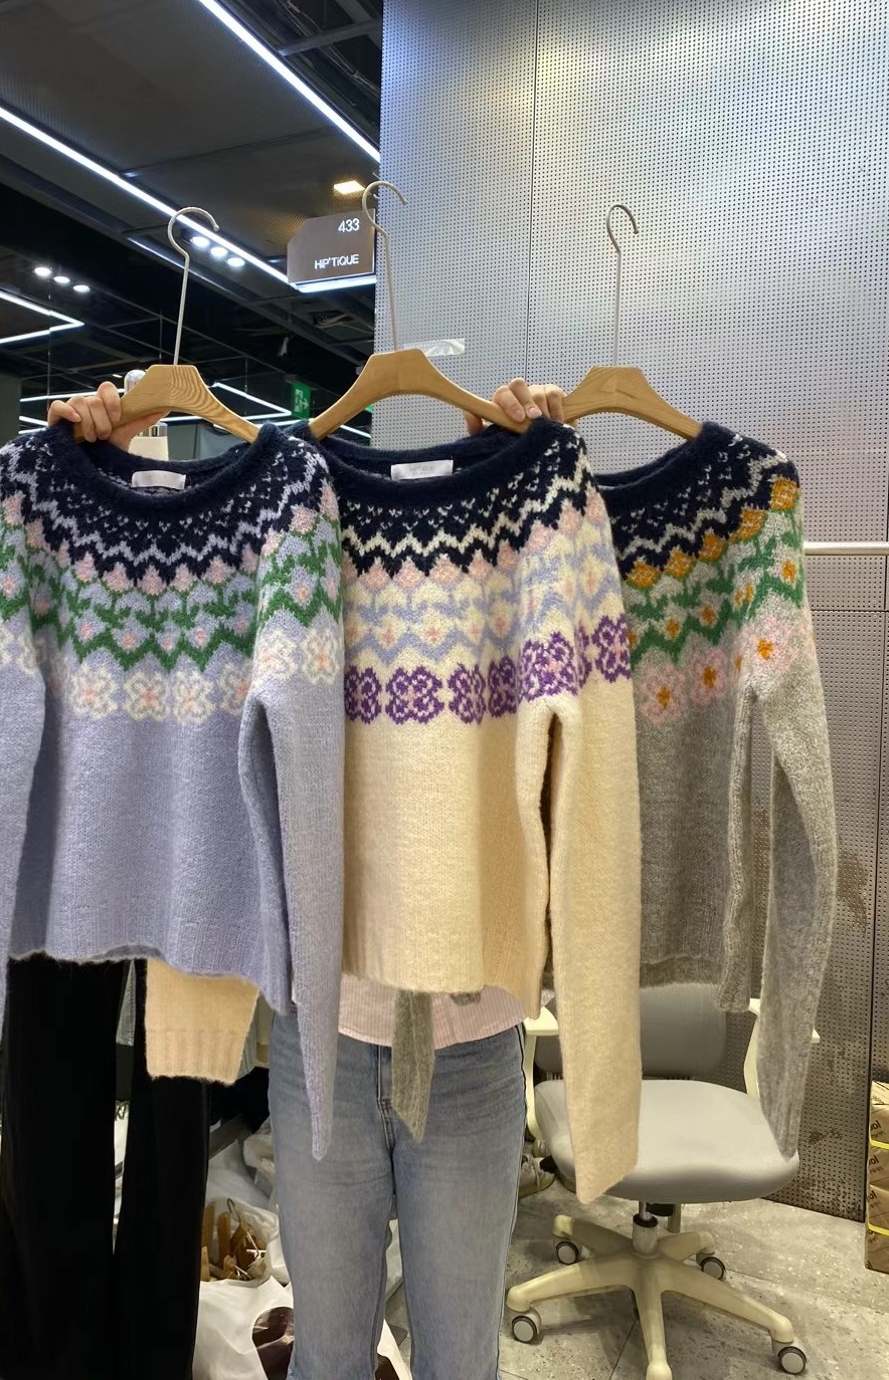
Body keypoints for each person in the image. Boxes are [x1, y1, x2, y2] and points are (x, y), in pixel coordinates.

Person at [48, 376, 565, 1380]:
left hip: (472, 1034)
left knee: (462, 1357)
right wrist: (112, 460)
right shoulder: (279, 515)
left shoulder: (511, 525)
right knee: (328, 1351)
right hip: (322, 1030)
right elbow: (167, 653)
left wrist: (534, 462)